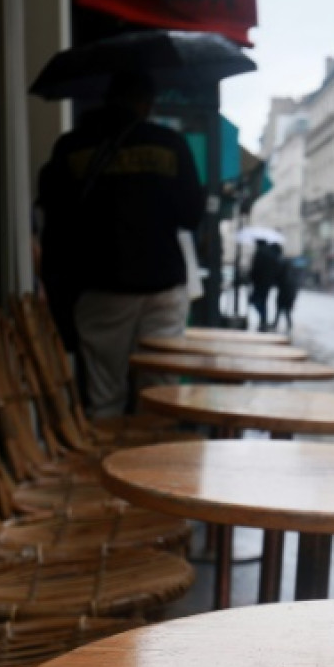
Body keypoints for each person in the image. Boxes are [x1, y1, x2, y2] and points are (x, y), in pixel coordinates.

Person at [38, 71, 204, 418]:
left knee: (103, 394)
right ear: (146, 103)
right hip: (162, 285)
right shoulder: (169, 144)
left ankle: (107, 463)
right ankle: (156, 467)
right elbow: (192, 214)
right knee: (161, 394)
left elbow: (55, 222)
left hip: (102, 285)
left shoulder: (72, 147)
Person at [249, 241, 280, 330]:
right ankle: (263, 319)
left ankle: (263, 319)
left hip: (259, 282)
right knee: (262, 301)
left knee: (257, 301)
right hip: (267, 283)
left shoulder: (261, 253)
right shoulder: (271, 254)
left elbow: (256, 268)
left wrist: (252, 277)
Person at [275, 252, 299, 332]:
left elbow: (280, 283)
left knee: (280, 311)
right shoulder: (293, 275)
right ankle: (288, 325)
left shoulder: (284, 275)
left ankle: (277, 324)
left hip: (284, 295)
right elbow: (295, 289)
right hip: (288, 296)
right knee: (286, 311)